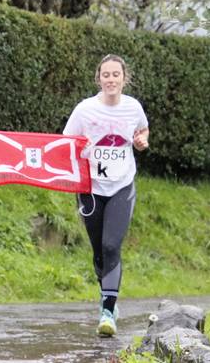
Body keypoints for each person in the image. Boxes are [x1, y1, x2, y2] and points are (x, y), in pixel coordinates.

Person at [63, 54, 149, 337]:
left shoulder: (132, 107)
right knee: (99, 250)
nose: (111, 79)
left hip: (121, 185)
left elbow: (142, 130)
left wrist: (140, 141)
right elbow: (67, 142)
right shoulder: (85, 109)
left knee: (112, 245)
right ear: (98, 78)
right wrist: (82, 146)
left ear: (124, 77)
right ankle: (107, 295)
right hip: (90, 188)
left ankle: (108, 310)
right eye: (106, 75)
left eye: (116, 74)